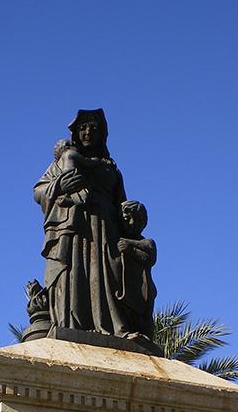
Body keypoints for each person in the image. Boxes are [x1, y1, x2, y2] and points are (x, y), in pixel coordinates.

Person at [33, 109, 129, 336]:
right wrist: (59, 186)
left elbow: (121, 204)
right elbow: (39, 191)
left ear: (102, 135)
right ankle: (71, 324)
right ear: (76, 132)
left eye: (94, 129)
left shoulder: (111, 169)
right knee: (72, 271)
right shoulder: (64, 160)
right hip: (72, 226)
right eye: (83, 128)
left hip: (105, 228)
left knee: (106, 276)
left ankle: (111, 327)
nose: (88, 133)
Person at [116, 200, 157, 340]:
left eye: (137, 219)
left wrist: (129, 247)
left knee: (143, 317)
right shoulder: (114, 238)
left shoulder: (147, 242)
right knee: (125, 311)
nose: (132, 222)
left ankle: (145, 337)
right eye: (127, 218)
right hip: (125, 286)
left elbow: (149, 258)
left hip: (143, 287)